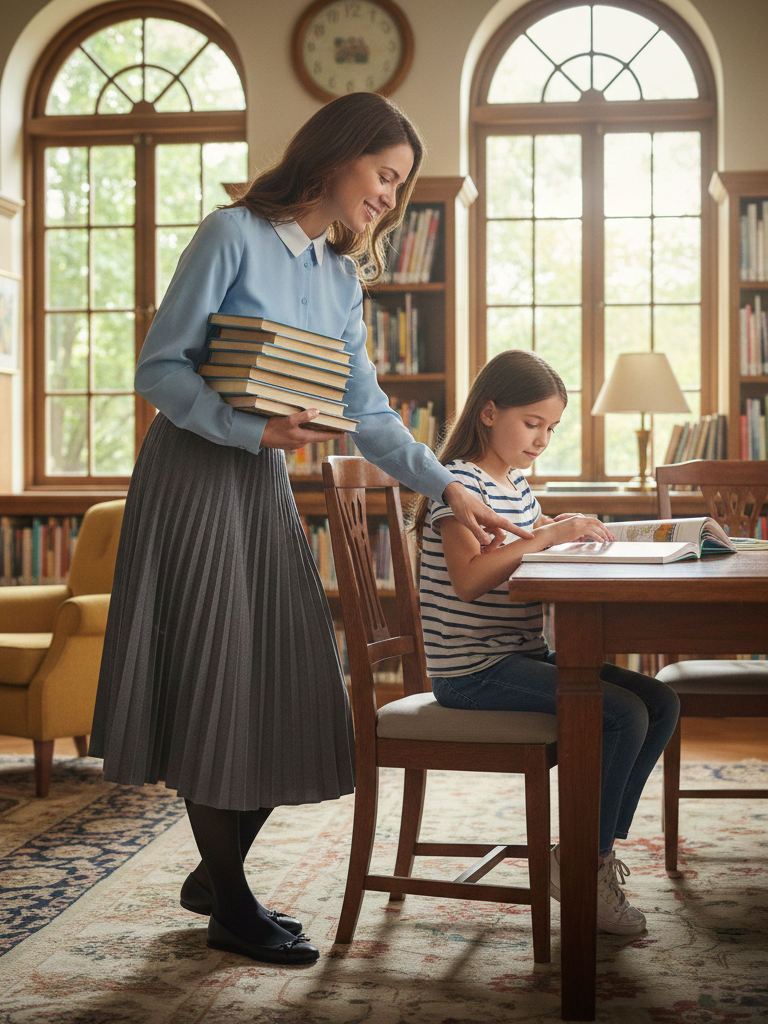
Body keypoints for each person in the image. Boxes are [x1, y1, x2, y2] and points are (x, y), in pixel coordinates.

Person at [88, 92, 528, 967]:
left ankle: (218, 877)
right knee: (216, 684)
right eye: (385, 175)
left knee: (298, 688)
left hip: (258, 486)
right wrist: (254, 430)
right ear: (336, 156)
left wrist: (451, 489)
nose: (390, 199)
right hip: (196, 478)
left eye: (402, 186)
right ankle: (231, 903)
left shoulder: (339, 277)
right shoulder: (230, 233)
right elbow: (159, 368)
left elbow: (368, 416)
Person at [412, 348, 680, 936]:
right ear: (488, 412)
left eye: (551, 428)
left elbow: (527, 560)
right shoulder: (456, 484)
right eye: (532, 423)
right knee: (622, 714)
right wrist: (548, 538)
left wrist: (567, 543)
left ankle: (588, 851)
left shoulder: (518, 487)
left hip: (520, 655)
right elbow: (472, 578)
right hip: (473, 671)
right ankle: (587, 863)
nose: (542, 439)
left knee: (660, 702)